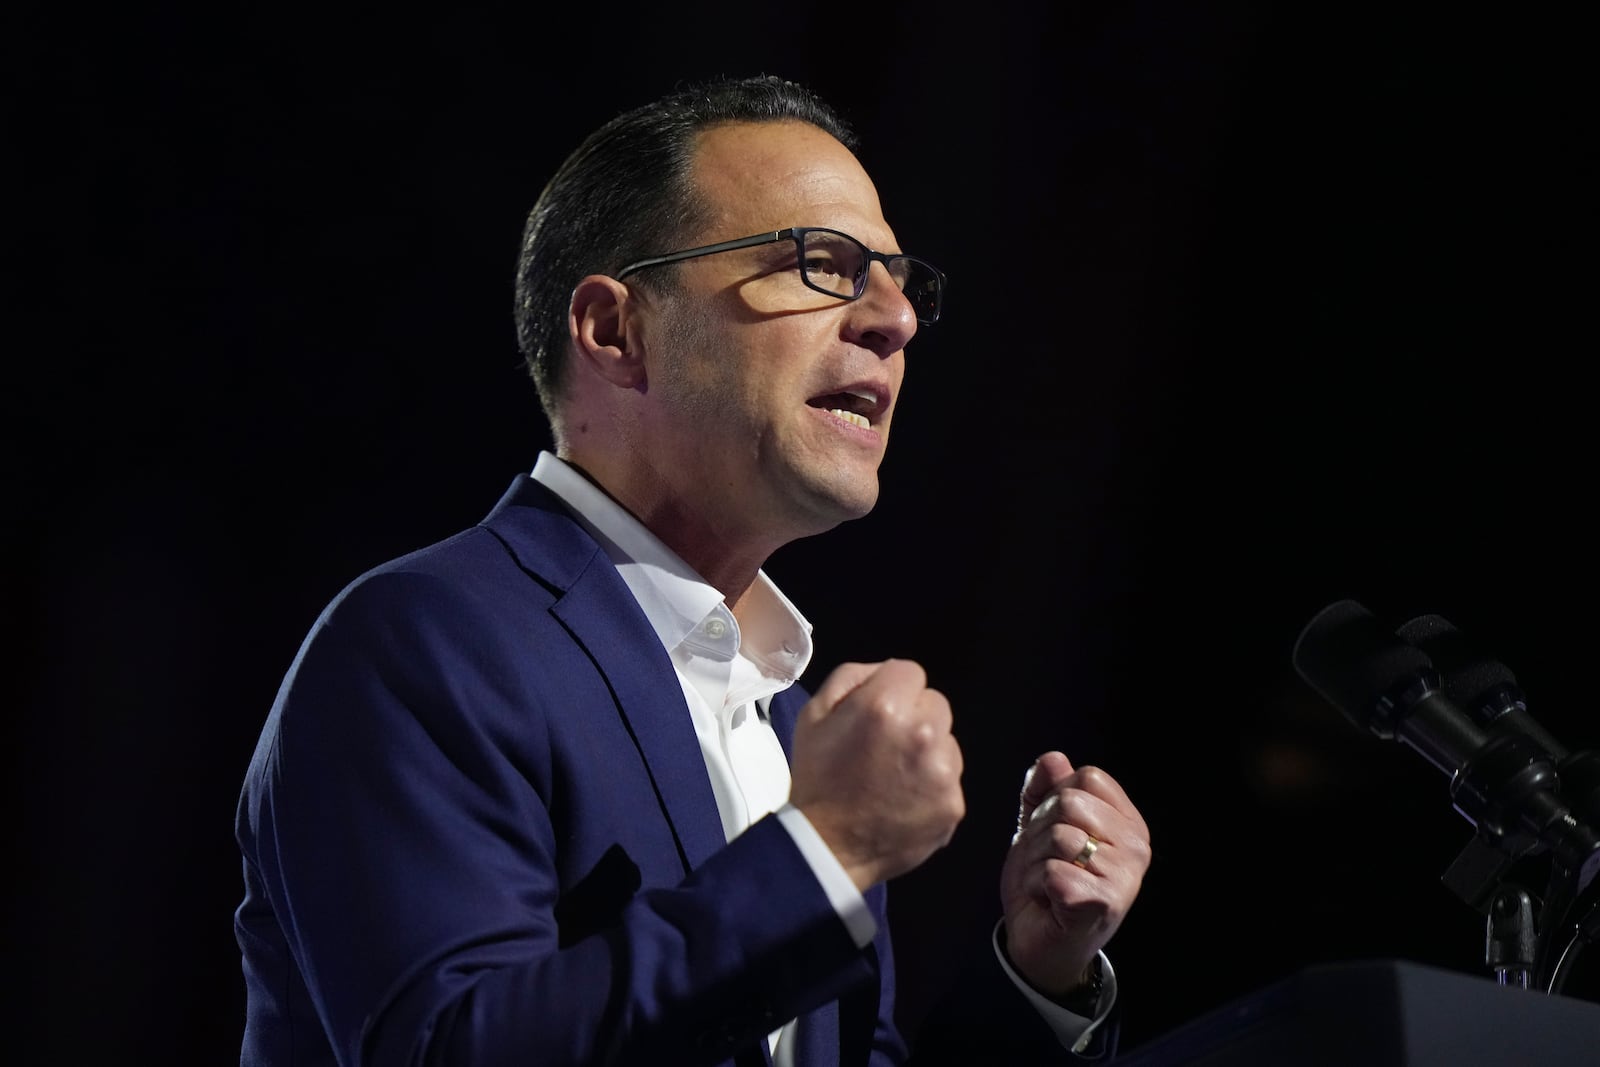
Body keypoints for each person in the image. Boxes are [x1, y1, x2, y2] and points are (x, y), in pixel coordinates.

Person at [234, 73, 1152, 1066]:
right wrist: (826, 849)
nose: (895, 318)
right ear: (614, 332)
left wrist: (1036, 976)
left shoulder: (792, 718)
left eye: (899, 279)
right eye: (824, 263)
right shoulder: (426, 639)